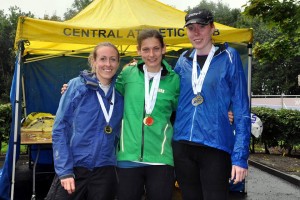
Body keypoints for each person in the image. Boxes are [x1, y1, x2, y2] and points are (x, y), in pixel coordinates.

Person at [172, 8, 251, 200]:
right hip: (182, 146)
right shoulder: (183, 60)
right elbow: (168, 100)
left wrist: (240, 158)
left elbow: (241, 110)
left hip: (215, 147)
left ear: (212, 28)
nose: (196, 32)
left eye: (201, 26)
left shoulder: (229, 56)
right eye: (191, 28)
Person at [46, 42, 124, 200]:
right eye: (102, 59)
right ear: (93, 61)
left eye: (113, 59)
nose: (108, 64)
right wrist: (65, 171)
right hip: (75, 167)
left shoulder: (122, 91)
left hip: (105, 169)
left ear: (118, 63)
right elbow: (60, 128)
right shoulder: (76, 86)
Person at [115, 29, 180, 200]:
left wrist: (226, 110)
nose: (151, 54)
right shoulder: (127, 74)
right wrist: (76, 87)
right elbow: (107, 90)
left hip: (160, 158)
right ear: (138, 51)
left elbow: (188, 108)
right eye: (146, 49)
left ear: (164, 49)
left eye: (156, 48)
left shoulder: (175, 80)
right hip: (128, 156)